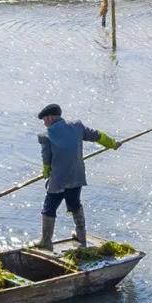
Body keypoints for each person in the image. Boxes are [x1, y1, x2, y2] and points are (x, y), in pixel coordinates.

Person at [36, 104, 121, 251]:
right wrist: (112, 143)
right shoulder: (77, 126)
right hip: (76, 176)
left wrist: (46, 172)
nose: (44, 123)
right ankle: (81, 237)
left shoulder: (46, 135)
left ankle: (46, 241)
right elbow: (97, 135)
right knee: (75, 204)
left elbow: (46, 159)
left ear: (50, 118)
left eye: (44, 120)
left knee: (49, 208)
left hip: (58, 180)